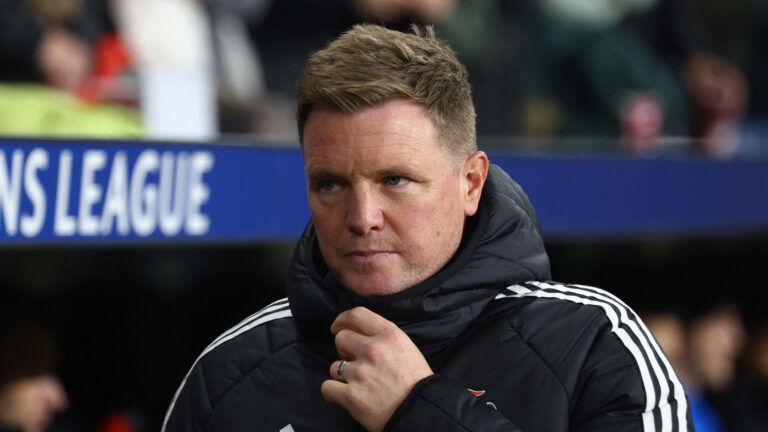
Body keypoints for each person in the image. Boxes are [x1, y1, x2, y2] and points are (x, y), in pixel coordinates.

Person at [162, 24, 691, 431]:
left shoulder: (595, 343)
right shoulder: (231, 371)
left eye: (395, 180)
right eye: (330, 185)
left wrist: (420, 410)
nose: (362, 218)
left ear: (470, 183)